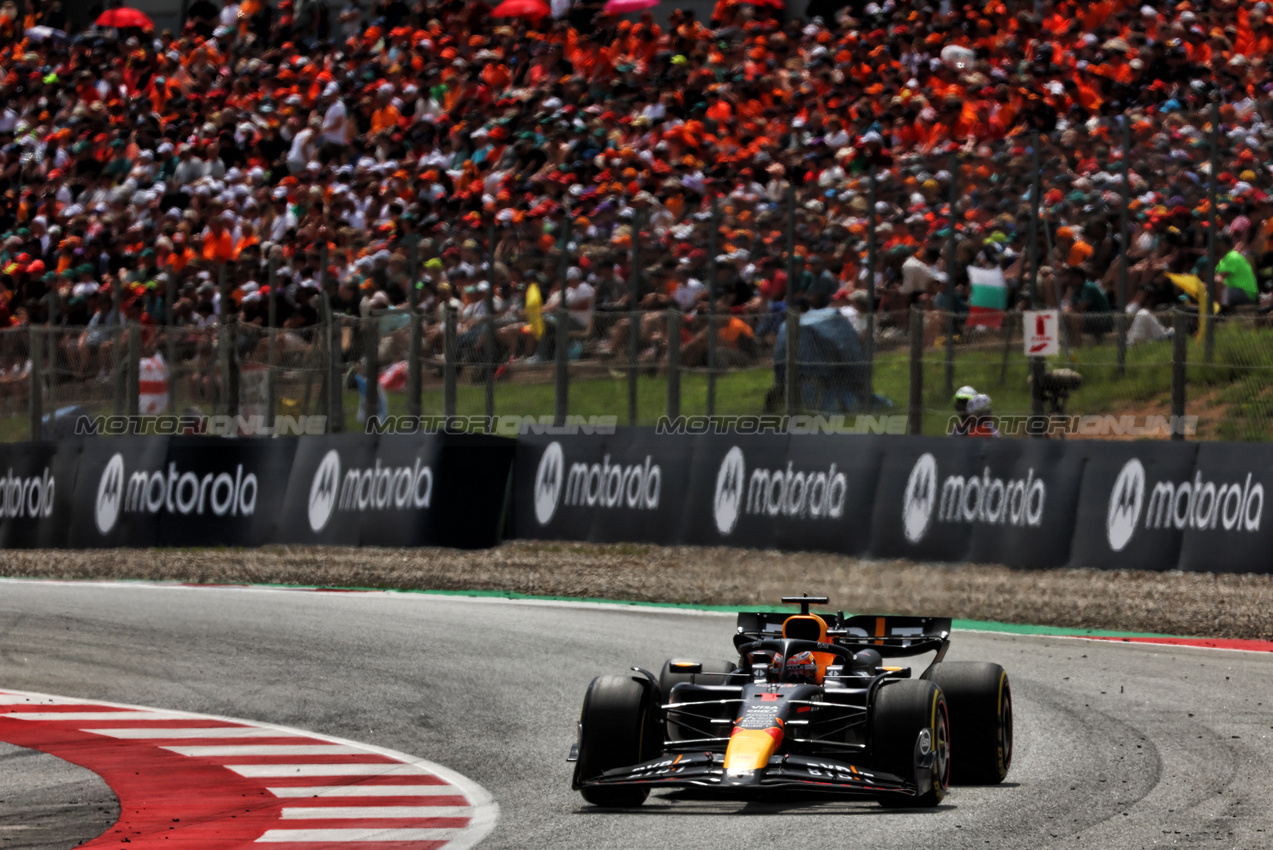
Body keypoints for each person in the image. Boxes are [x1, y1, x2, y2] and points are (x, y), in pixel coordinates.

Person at [1215, 232, 1259, 309]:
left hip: (1245, 293)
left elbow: (1218, 278)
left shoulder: (1232, 256)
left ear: (1223, 244)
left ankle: (1221, 313)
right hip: (1235, 290)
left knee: (1216, 284)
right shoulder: (1223, 259)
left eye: (1216, 243)